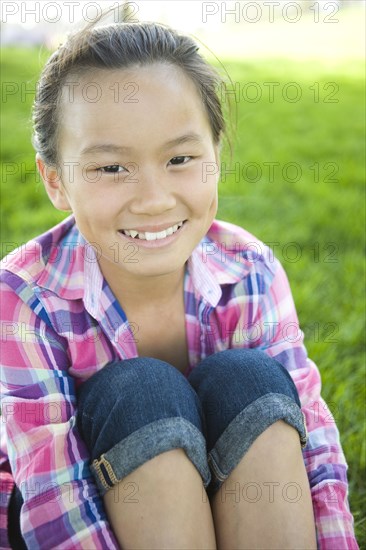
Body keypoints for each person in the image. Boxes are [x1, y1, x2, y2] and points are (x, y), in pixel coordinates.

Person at [0, 16, 358, 550]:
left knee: (251, 379)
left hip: (232, 502)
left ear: (216, 156)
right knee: (140, 390)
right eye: (111, 168)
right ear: (55, 180)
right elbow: (56, 496)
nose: (153, 199)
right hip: (95, 517)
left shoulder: (249, 270)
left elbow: (314, 446)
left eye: (180, 159)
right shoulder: (26, 297)